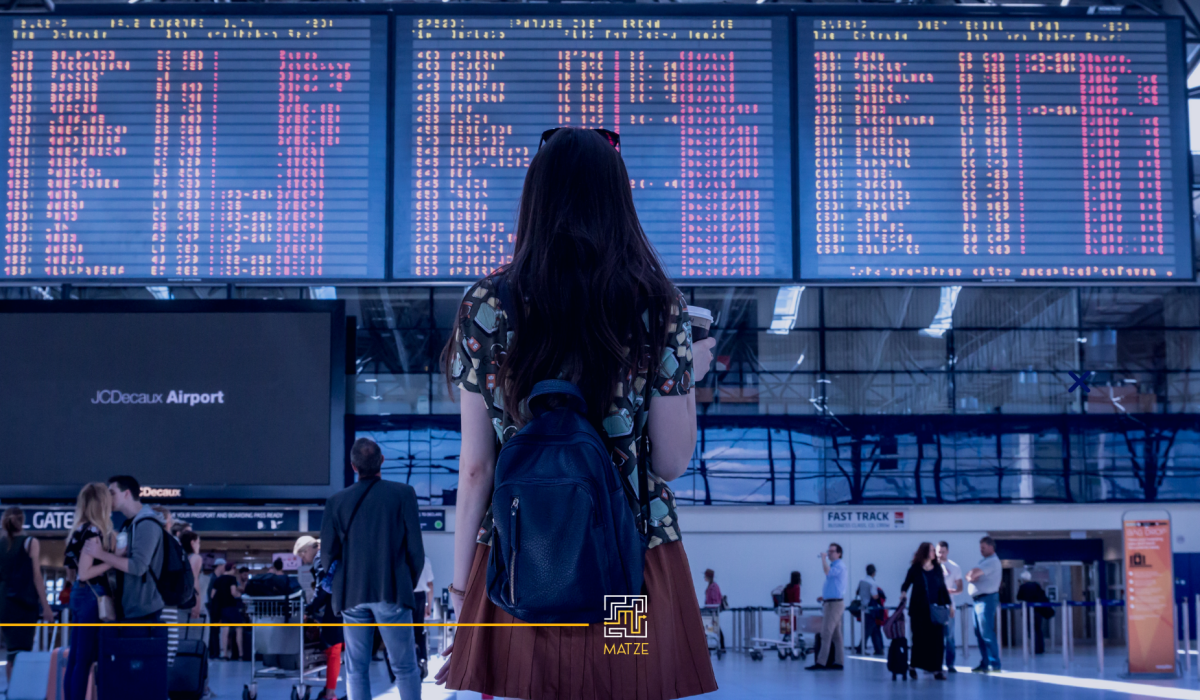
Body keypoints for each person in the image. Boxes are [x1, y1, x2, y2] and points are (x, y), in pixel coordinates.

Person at [435, 127, 719, 700]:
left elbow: (475, 468)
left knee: (532, 687)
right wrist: (687, 376)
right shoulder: (657, 304)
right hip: (627, 563)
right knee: (621, 683)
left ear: (534, 199)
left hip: (520, 556)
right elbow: (671, 459)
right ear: (619, 200)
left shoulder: (487, 304)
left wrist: (464, 587)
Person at [320, 437, 425, 700]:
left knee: (356, 669)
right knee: (404, 666)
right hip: (392, 591)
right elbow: (416, 550)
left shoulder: (336, 501)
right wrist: (405, 582)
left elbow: (326, 556)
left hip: (351, 595)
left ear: (353, 466)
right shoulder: (403, 494)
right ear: (382, 461)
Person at [83, 476, 166, 626]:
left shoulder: (147, 524)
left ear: (126, 494)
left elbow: (138, 567)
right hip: (131, 608)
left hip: (143, 611)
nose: (108, 498)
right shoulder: (130, 525)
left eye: (112, 493)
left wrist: (101, 555)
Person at [63, 484, 116, 700]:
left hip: (79, 594)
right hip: (91, 596)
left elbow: (73, 572)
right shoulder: (94, 531)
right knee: (84, 659)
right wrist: (112, 561)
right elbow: (85, 572)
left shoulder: (78, 529)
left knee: (76, 658)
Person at [0, 507, 55, 682]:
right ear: (22, 521)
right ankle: (19, 690)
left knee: (12, 651)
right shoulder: (30, 542)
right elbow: (37, 577)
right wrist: (46, 607)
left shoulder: (1, 543)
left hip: (4, 603)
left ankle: (12, 691)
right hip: (24, 603)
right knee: (22, 650)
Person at [295, 535, 344, 700]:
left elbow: (324, 588)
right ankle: (331, 691)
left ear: (308, 548)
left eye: (302, 554)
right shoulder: (332, 553)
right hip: (348, 605)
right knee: (340, 650)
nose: (303, 559)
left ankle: (330, 694)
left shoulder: (319, 557)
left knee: (333, 650)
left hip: (335, 609)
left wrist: (310, 608)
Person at [900, 543, 951, 680]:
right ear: (925, 552)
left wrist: (949, 604)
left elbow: (943, 587)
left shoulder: (938, 569)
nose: (934, 553)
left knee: (937, 641)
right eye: (932, 550)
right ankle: (913, 666)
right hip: (918, 610)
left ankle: (937, 670)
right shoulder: (915, 569)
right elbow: (906, 583)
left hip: (936, 610)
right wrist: (903, 593)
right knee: (919, 640)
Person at [966, 535, 1003, 673]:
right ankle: (985, 663)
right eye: (980, 547)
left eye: (983, 547)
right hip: (978, 601)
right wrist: (971, 575)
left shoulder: (991, 562)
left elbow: (973, 574)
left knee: (986, 633)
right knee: (980, 634)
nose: (980, 550)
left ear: (991, 547)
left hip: (986, 600)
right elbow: (969, 574)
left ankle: (995, 664)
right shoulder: (984, 561)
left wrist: (972, 576)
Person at [808, 543, 848, 671]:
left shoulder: (839, 566)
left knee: (825, 633)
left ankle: (821, 662)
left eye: (832, 551)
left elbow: (827, 572)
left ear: (839, 553)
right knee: (836, 635)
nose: (829, 553)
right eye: (828, 551)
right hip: (831, 602)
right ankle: (839, 662)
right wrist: (824, 596)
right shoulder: (835, 566)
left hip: (834, 605)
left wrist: (823, 559)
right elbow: (835, 585)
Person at [208, 558, 245, 660]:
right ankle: (241, 654)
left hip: (222, 608)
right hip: (232, 607)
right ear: (232, 568)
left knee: (224, 630)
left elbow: (212, 595)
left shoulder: (218, 579)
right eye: (235, 568)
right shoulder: (232, 579)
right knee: (239, 628)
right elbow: (233, 592)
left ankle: (224, 654)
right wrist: (240, 595)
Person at [936, 541, 964, 671]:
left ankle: (950, 664)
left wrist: (947, 592)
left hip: (948, 607)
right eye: (938, 552)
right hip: (933, 606)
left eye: (943, 551)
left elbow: (960, 588)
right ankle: (934, 663)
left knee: (950, 637)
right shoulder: (931, 566)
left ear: (948, 551)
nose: (941, 554)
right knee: (934, 637)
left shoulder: (954, 567)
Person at [1016, 570, 1051, 654]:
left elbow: (1018, 597)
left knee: (1031, 629)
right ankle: (1041, 648)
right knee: (1038, 629)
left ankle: (1035, 648)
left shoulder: (1023, 587)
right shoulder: (1036, 585)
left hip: (1028, 611)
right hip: (1039, 610)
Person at [413, 556, 434, 678]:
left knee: (403, 632)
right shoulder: (425, 560)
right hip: (419, 598)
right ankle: (422, 659)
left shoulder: (399, 556)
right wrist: (428, 606)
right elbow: (430, 584)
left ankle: (409, 663)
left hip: (403, 596)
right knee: (419, 631)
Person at [856, 564, 883, 656]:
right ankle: (860, 648)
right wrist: (880, 595)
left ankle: (878, 649)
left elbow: (857, 592)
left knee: (874, 629)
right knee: (868, 630)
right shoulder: (872, 583)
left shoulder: (861, 581)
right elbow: (874, 596)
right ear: (874, 572)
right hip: (870, 609)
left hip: (863, 608)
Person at [180, 531, 204, 621]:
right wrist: (197, 602)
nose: (199, 546)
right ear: (192, 543)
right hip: (190, 601)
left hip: (180, 600)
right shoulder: (195, 558)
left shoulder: (181, 556)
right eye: (198, 542)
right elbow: (194, 580)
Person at [703, 569, 725, 652]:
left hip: (712, 611)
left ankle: (721, 646)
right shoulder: (711, 586)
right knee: (711, 628)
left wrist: (711, 608)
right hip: (710, 611)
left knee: (713, 627)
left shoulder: (713, 587)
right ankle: (720, 646)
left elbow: (715, 600)